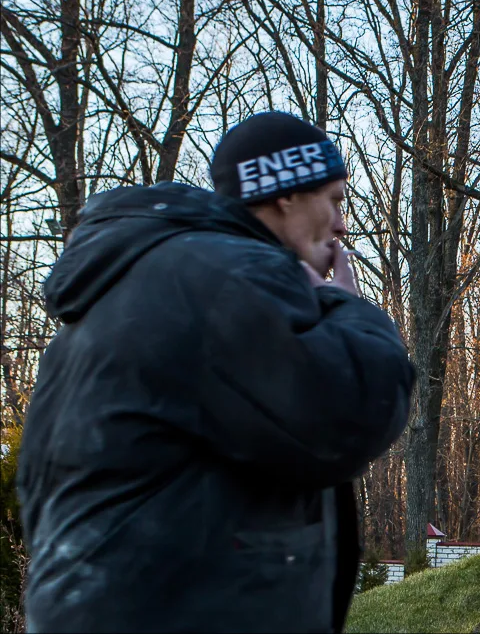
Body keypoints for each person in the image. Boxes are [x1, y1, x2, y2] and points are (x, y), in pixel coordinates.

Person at [16, 112, 413, 633]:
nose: (341, 224)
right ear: (284, 196)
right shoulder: (216, 274)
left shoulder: (121, 293)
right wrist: (345, 308)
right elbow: (348, 413)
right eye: (334, 200)